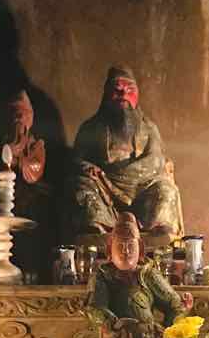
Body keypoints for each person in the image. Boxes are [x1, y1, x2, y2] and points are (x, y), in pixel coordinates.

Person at [81, 213, 191, 338]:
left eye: (130, 246)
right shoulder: (103, 276)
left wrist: (168, 327)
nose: (125, 251)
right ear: (109, 249)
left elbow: (174, 304)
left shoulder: (148, 274)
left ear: (140, 249)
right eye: (120, 246)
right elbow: (94, 307)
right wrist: (116, 323)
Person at [68, 66, 182, 237]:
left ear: (137, 96)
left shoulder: (149, 128)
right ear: (107, 95)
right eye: (117, 90)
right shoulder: (90, 128)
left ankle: (158, 233)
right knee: (81, 185)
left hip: (142, 191)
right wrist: (90, 169)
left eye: (129, 90)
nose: (123, 95)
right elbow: (76, 160)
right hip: (104, 190)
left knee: (166, 189)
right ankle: (98, 230)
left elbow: (156, 161)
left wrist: (123, 175)